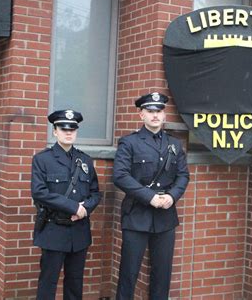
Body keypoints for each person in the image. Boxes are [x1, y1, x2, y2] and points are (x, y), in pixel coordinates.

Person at [113, 92, 189, 299]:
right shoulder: (129, 143)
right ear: (141, 115)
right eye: (150, 111)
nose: (155, 115)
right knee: (129, 272)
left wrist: (172, 197)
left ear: (164, 115)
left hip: (165, 216)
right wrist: (150, 197)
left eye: (159, 111)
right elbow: (120, 176)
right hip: (137, 214)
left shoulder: (174, 144)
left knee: (162, 274)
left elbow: (183, 175)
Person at [31, 109, 102, 300]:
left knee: (75, 282)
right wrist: (73, 207)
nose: (68, 132)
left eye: (72, 129)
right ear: (55, 131)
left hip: (79, 231)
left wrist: (85, 209)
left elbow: (96, 192)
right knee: (48, 282)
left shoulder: (85, 160)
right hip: (54, 229)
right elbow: (39, 193)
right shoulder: (42, 160)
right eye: (63, 129)